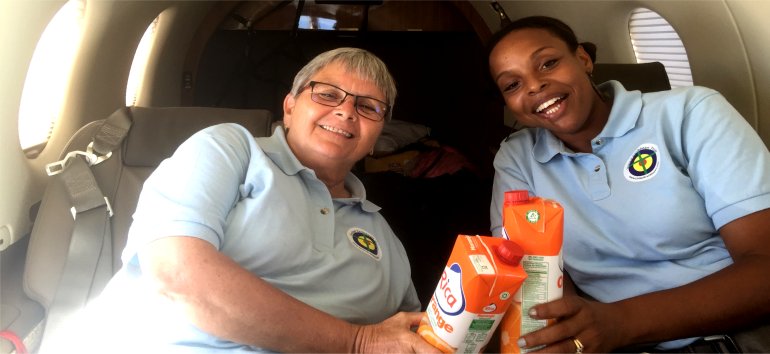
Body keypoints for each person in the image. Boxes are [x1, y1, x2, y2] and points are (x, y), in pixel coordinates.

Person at [78, 47, 440, 353]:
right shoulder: (229, 149)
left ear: (377, 135)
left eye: (368, 107)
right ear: (290, 106)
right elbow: (177, 276)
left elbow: (408, 334)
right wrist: (355, 341)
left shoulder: (382, 234)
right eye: (328, 95)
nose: (346, 111)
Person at [487, 16, 770, 353]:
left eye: (548, 63)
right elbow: (536, 279)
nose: (534, 86)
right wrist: (564, 332)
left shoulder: (690, 114)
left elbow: (763, 265)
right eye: (512, 85)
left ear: (583, 59)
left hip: (733, 335)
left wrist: (619, 323)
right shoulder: (517, 159)